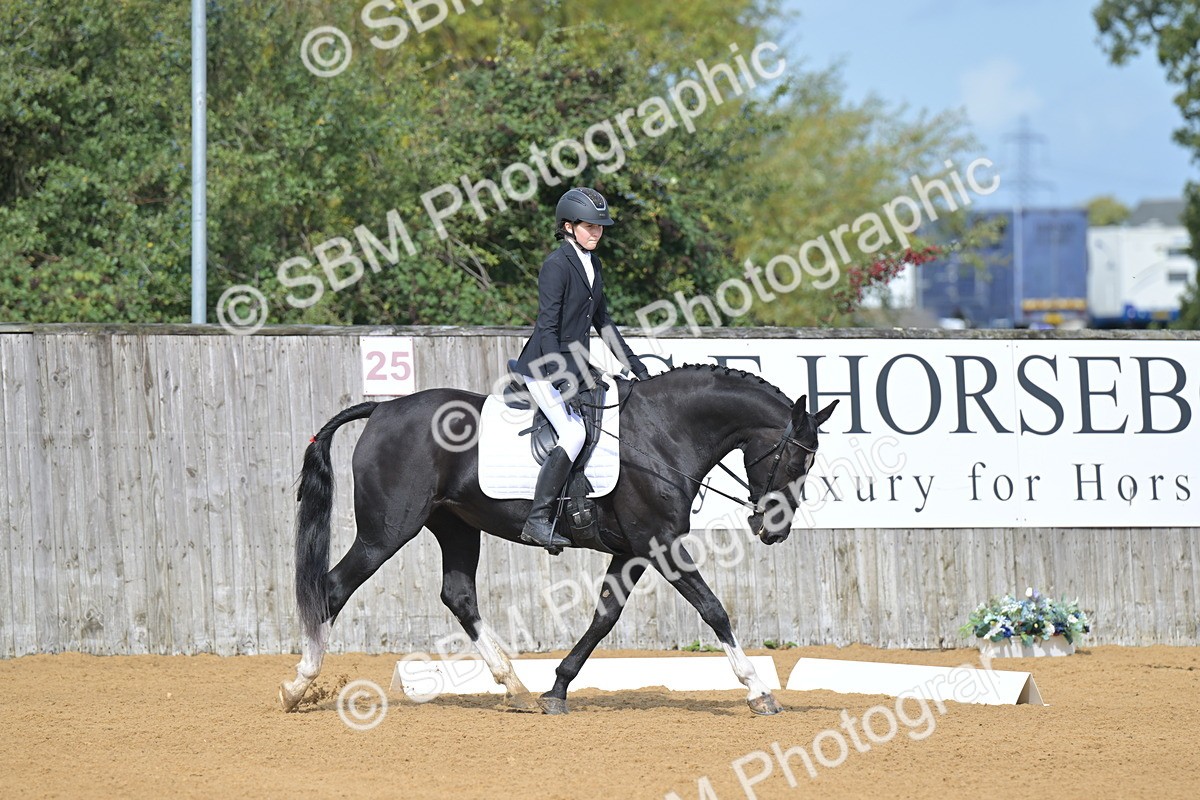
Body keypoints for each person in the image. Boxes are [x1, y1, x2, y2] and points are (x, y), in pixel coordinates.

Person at [509, 187, 650, 553]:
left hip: (575, 362)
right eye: (590, 226)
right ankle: (537, 520)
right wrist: (562, 376)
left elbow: (604, 323)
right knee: (572, 432)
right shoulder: (556, 266)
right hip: (543, 365)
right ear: (569, 226)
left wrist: (635, 367)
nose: (597, 232)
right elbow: (547, 327)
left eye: (600, 227)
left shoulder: (594, 264)